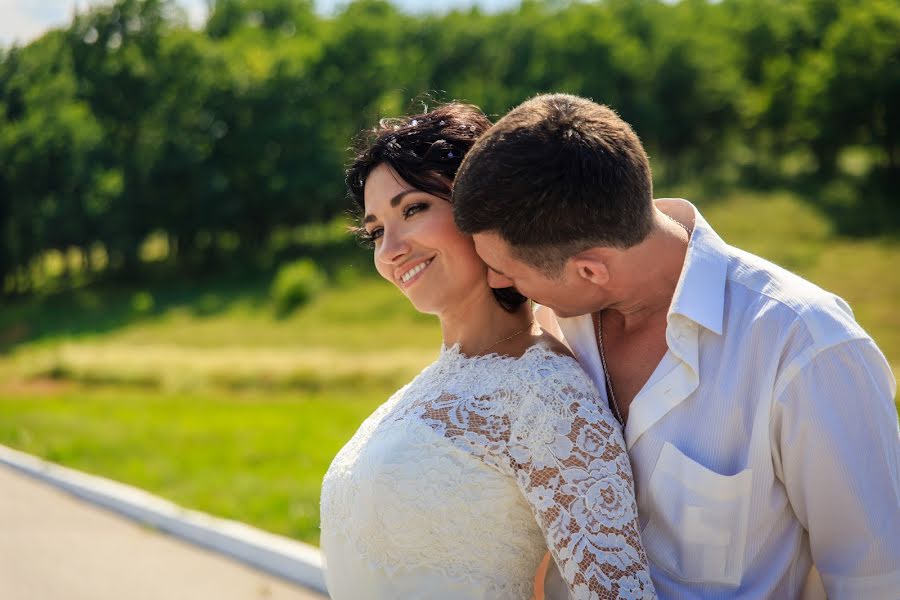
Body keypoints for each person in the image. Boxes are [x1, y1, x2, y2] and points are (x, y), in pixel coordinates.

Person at [451, 93, 900, 599]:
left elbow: (877, 578)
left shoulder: (808, 348)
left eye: (506, 270)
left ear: (590, 270)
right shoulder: (548, 328)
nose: (493, 281)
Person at [318, 103, 656, 600]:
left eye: (412, 209)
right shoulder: (432, 385)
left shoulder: (544, 393)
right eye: (374, 232)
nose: (389, 249)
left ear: (481, 210)